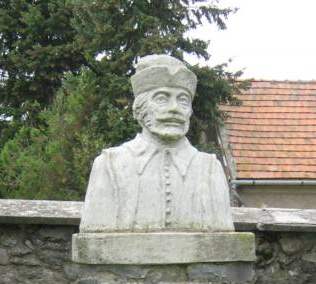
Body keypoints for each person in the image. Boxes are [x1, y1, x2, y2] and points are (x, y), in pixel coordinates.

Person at [80, 54, 234, 232]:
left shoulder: (210, 169)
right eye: (162, 98)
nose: (174, 108)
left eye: (183, 100)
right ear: (140, 108)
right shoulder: (109, 166)